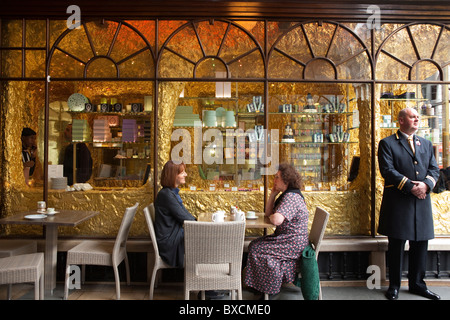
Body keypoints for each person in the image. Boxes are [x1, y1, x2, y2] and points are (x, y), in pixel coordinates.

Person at [378, 107, 440, 300]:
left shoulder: (426, 144)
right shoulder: (387, 143)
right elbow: (387, 170)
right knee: (396, 244)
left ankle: (418, 285)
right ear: (401, 120)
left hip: (421, 201)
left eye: (417, 117)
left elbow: (434, 169)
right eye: (412, 117)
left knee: (420, 244)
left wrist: (426, 185)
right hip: (399, 202)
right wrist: (410, 186)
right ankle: (394, 286)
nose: (417, 120)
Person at [244, 163, 309, 298]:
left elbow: (276, 220)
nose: (274, 180)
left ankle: (267, 289)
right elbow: (268, 213)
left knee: (256, 248)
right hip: (286, 239)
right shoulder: (286, 195)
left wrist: (274, 215)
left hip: (292, 244)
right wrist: (273, 193)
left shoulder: (291, 198)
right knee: (254, 245)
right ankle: (263, 286)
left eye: (277, 177)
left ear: (286, 180)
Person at [154, 160, 196, 268]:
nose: (185, 174)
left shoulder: (170, 192)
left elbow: (184, 214)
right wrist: (199, 223)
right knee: (202, 237)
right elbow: (185, 218)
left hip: (173, 236)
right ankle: (200, 273)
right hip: (170, 242)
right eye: (182, 173)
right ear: (173, 175)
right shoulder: (167, 195)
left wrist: (197, 221)